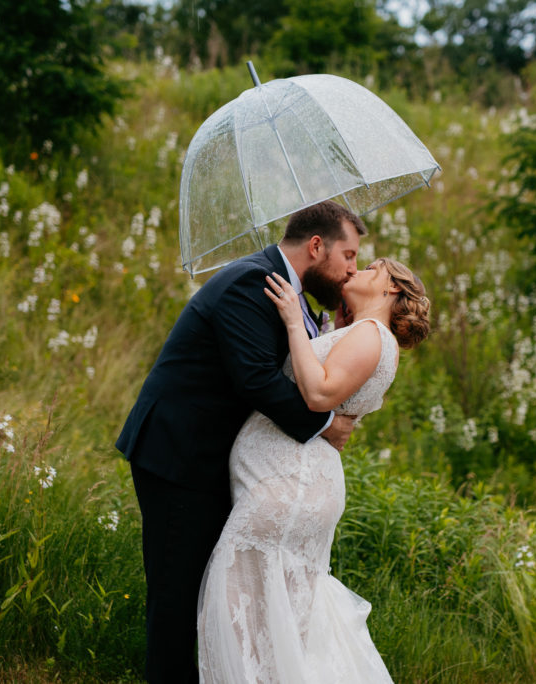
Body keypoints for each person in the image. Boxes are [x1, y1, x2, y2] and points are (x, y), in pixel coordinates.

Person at [115, 200, 367, 683]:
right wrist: (326, 426)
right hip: (178, 455)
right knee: (175, 594)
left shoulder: (290, 292)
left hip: (212, 461)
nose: (352, 269)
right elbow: (256, 380)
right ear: (317, 246)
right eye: (349, 256)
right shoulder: (250, 282)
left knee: (208, 591)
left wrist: (331, 331)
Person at [197, 257, 431, 682]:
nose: (356, 270)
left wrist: (291, 320)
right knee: (275, 628)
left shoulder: (371, 335)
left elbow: (319, 393)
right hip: (291, 484)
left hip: (291, 487)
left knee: (237, 614)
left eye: (372, 268)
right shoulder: (359, 333)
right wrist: (328, 333)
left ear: (392, 289)